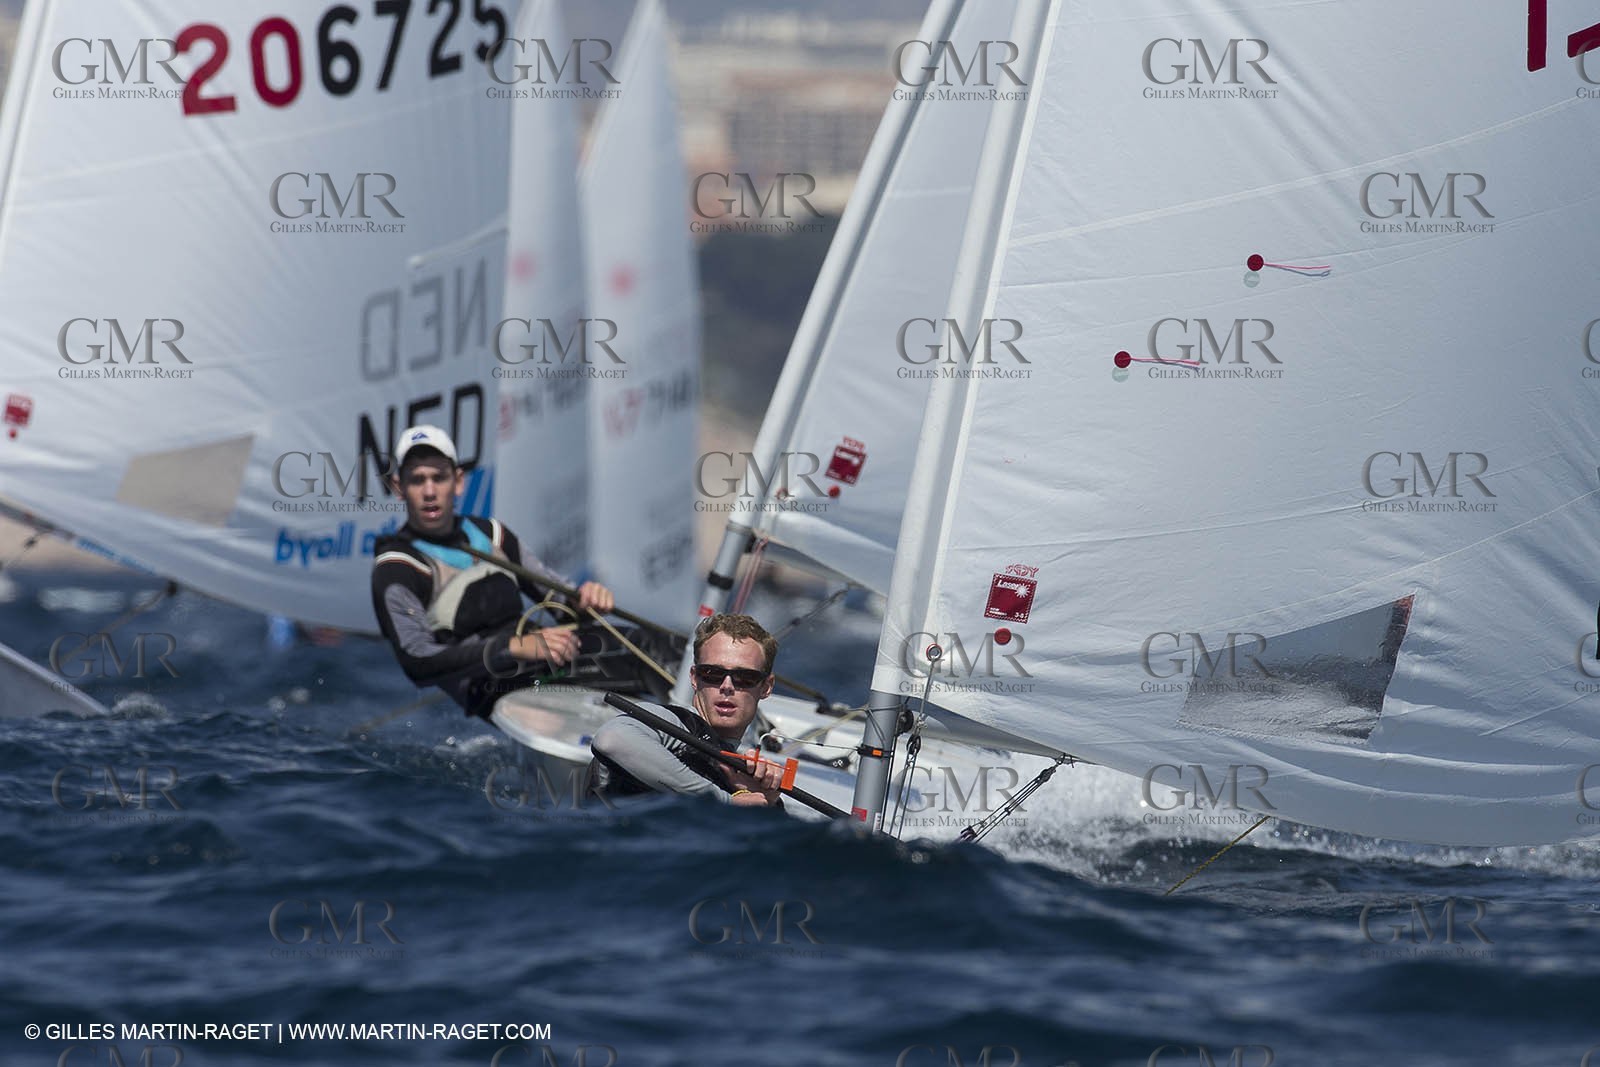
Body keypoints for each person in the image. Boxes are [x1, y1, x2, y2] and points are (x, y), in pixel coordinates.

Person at [369, 424, 617, 719]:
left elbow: (563, 607)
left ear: (458, 481)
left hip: (541, 659)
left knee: (650, 649)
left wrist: (585, 601)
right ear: (399, 488)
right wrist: (509, 648)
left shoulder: (494, 536)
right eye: (417, 480)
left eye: (439, 478)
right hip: (489, 683)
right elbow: (417, 662)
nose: (430, 491)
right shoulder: (395, 568)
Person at [588, 613, 787, 808]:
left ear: (766, 687)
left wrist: (767, 802)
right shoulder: (674, 723)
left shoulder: (737, 774)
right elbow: (612, 739)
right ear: (694, 677)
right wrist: (723, 800)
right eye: (712, 673)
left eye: (745, 677)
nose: (727, 686)